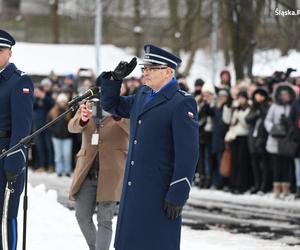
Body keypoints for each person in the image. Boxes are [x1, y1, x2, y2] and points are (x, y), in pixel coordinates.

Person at [98, 44, 199, 250]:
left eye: (152, 68)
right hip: (134, 187)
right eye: (145, 68)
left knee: (155, 243)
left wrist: (179, 192)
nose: (146, 72)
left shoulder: (180, 103)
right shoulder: (143, 95)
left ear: (169, 72)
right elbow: (112, 105)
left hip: (159, 190)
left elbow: (187, 154)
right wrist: (114, 80)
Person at [68, 97, 129, 250]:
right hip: (87, 172)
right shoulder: (87, 105)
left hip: (112, 173)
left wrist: (117, 116)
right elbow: (72, 127)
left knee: (105, 220)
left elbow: (134, 129)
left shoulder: (124, 106)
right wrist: (82, 119)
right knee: (81, 216)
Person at [0, 29, 34, 249]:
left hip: (6, 157)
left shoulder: (19, 81)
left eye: (0, 50)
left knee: (5, 217)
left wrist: (13, 164)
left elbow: (22, 130)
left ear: (10, 53)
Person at [264, 83, 296, 197]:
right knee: (276, 165)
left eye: (286, 94)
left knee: (286, 165)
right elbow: (267, 121)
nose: (284, 96)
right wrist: (273, 129)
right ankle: (277, 188)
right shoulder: (274, 107)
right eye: (282, 94)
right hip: (275, 140)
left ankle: (286, 188)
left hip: (287, 141)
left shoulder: (292, 106)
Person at [48, 93, 73, 177]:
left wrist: (69, 132)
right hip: (56, 137)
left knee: (67, 154)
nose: (62, 103)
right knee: (58, 155)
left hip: (67, 137)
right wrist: (54, 131)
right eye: (61, 101)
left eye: (64, 101)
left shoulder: (70, 111)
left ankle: (67, 170)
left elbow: (72, 123)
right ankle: (59, 170)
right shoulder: (53, 111)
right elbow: (49, 123)